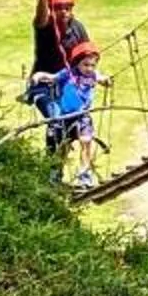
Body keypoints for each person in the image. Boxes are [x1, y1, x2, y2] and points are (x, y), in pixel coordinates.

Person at [34, 39, 104, 190]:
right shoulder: (68, 73)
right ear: (77, 62)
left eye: (93, 65)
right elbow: (52, 77)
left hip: (83, 115)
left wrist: (106, 81)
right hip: (65, 117)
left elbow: (101, 78)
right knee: (63, 147)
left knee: (86, 141)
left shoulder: (93, 75)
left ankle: (84, 177)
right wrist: (39, 75)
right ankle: (55, 176)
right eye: (85, 64)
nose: (89, 68)